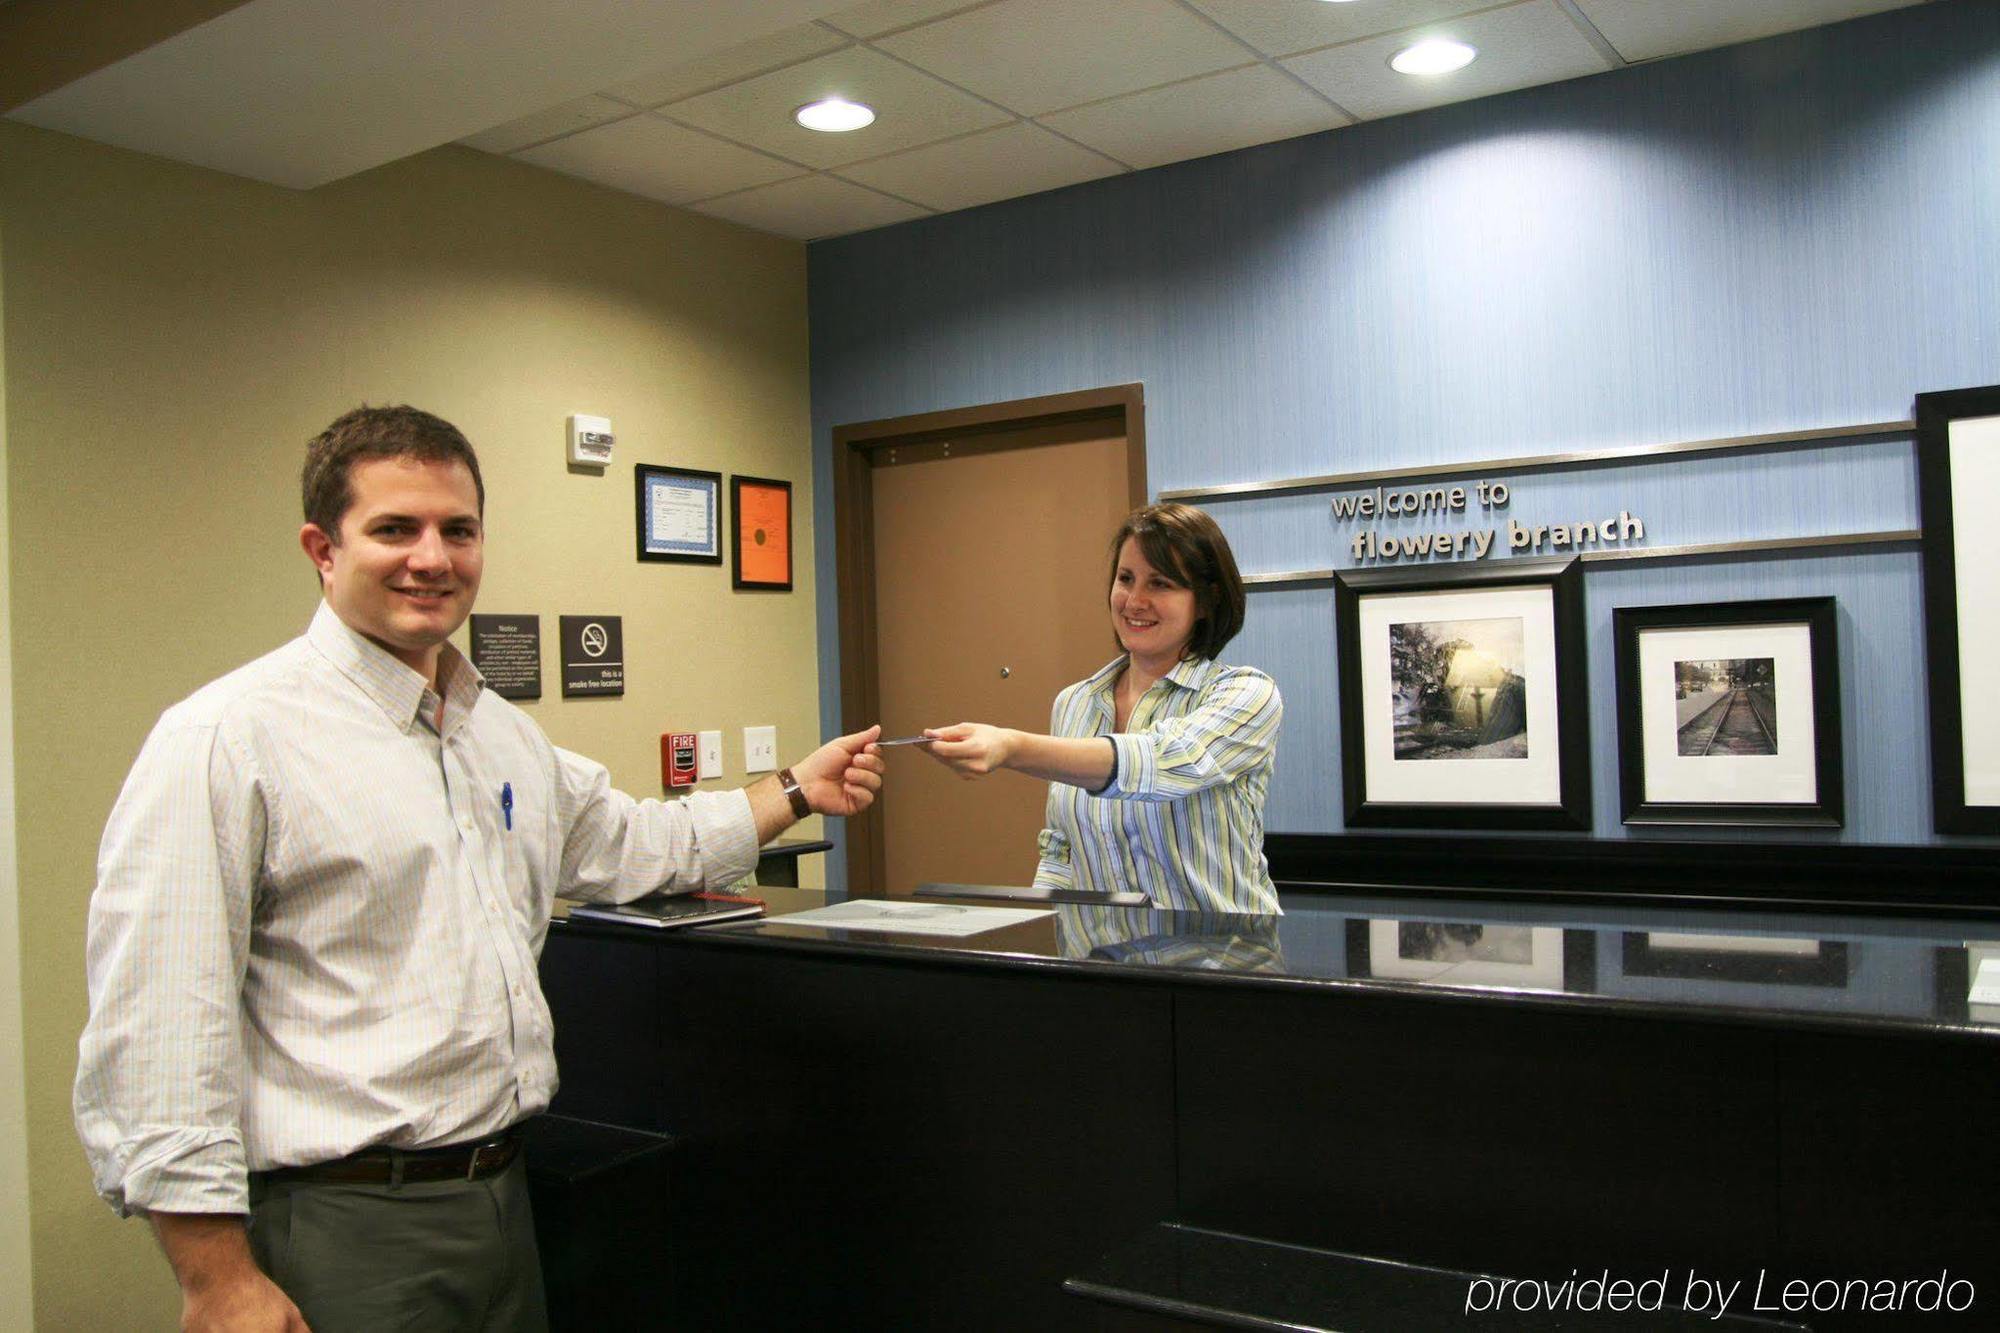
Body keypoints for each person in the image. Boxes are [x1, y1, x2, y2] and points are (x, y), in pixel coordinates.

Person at [73, 405, 884, 1332]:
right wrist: (215, 1276)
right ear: (322, 548)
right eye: (395, 528)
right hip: (342, 1226)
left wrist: (794, 787)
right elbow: (161, 1022)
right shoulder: (227, 739)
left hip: (505, 1199)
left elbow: (634, 844)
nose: (433, 557)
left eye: (457, 529)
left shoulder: (496, 733)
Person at [922, 502, 1282, 914]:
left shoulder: (1247, 695)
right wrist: (1040, 941)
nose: (1134, 600)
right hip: (1104, 963)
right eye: (1125, 578)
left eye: (1160, 584)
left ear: (1205, 601)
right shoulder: (1075, 703)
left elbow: (1164, 762)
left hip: (1219, 965)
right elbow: (1060, 849)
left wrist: (1011, 747)